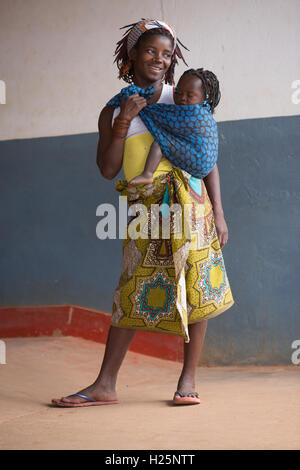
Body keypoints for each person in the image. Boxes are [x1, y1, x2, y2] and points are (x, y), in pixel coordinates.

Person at [52, 18, 234, 408]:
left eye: (167, 54)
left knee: (197, 284)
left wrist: (219, 212)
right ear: (132, 54)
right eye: (151, 51)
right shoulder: (116, 109)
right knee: (130, 290)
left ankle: (188, 380)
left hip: (192, 203)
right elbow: (107, 169)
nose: (159, 59)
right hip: (145, 210)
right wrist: (122, 121)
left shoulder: (183, 94)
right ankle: (105, 385)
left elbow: (209, 157)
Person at [127, 67, 220, 186]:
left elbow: (164, 117)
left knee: (160, 143)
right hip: (206, 165)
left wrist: (145, 109)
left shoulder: (194, 114)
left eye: (190, 95)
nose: (182, 98)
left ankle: (147, 174)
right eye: (178, 92)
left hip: (198, 160)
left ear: (204, 98)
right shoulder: (207, 114)